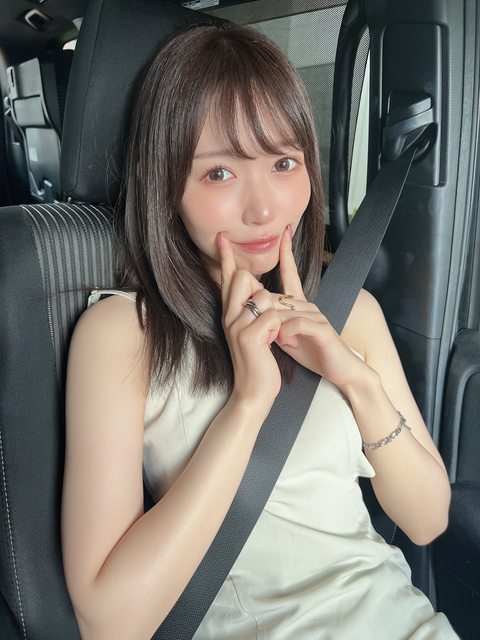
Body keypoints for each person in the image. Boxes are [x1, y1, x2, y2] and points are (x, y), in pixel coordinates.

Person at [61, 22, 458, 640]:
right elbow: (110, 622)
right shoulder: (122, 334)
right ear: (165, 184)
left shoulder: (350, 311)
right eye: (219, 173)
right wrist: (248, 405)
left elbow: (428, 521)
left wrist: (356, 379)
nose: (265, 208)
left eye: (283, 163)